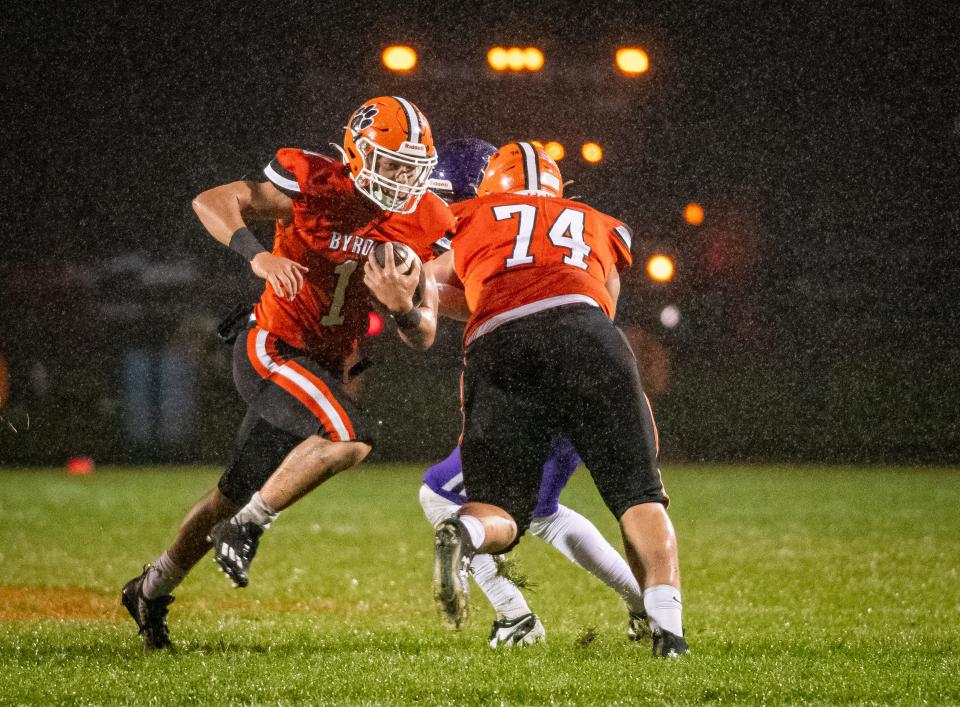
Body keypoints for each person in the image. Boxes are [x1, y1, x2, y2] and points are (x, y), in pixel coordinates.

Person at [121, 96, 455, 650]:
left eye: (410, 166)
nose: (401, 178)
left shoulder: (425, 219)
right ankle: (249, 526)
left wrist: (400, 307)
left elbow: (422, 336)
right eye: (391, 162)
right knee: (349, 437)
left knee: (229, 493)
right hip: (272, 346)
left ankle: (150, 589)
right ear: (357, 152)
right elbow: (212, 200)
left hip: (322, 366)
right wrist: (258, 255)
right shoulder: (316, 183)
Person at [429, 142, 689, 658]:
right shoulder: (595, 220)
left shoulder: (469, 215)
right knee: (639, 495)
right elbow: (603, 299)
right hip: (588, 337)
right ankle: (669, 633)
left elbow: (431, 289)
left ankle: (466, 530)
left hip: (499, 340)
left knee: (503, 506)